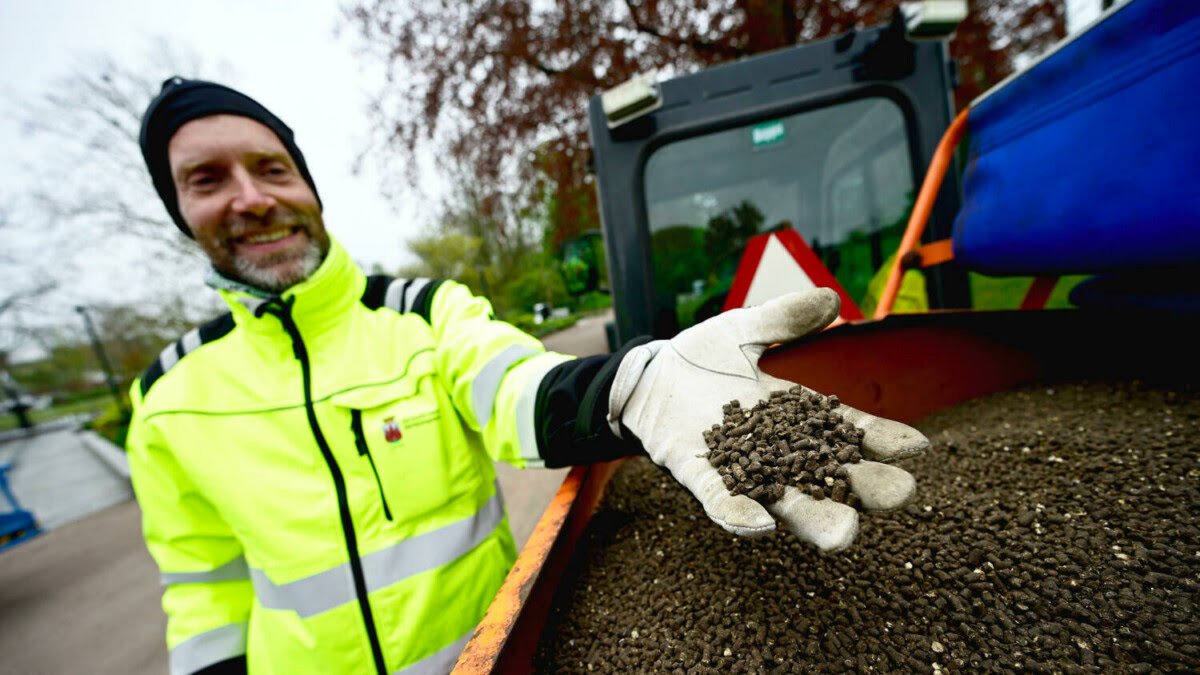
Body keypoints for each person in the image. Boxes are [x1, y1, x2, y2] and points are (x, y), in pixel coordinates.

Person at [129, 77, 928, 675]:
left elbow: (512, 385)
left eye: (270, 168)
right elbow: (203, 591)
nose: (250, 199)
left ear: (306, 185)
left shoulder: (421, 313)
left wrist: (632, 382)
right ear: (178, 210)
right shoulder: (167, 400)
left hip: (493, 655)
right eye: (207, 180)